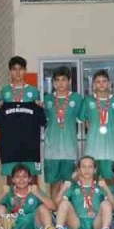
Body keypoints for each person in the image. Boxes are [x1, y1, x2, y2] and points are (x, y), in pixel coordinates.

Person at [53, 156, 114, 229]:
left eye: (90, 167)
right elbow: (58, 204)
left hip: (96, 225)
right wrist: (64, 188)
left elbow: (113, 206)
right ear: (78, 170)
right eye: (83, 167)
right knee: (64, 202)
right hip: (77, 224)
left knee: (106, 203)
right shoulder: (73, 187)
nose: (87, 170)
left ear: (95, 170)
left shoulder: (100, 187)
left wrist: (106, 187)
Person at [42, 67, 82, 201]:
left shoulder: (76, 98)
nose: (60, 83)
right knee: (54, 183)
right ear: (53, 82)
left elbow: (83, 118)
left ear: (69, 81)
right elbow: (44, 118)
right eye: (57, 80)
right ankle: (54, 208)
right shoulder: (47, 99)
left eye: (63, 80)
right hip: (51, 149)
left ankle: (67, 208)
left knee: (69, 183)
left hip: (69, 149)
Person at [0, 164, 57, 229]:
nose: (21, 180)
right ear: (13, 179)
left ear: (29, 179)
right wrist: (2, 194)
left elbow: (53, 207)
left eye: (24, 177)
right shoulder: (9, 191)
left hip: (33, 228)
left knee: (42, 207)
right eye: (17, 177)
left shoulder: (34, 190)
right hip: (13, 228)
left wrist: (38, 194)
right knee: (0, 207)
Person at [0, 86, 46, 183]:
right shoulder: (3, 106)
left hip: (31, 150)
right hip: (9, 150)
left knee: (32, 179)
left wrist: (41, 108)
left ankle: (33, 194)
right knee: (11, 179)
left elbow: (43, 122)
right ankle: (11, 194)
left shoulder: (35, 105)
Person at [80, 69, 114, 181]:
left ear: (109, 83)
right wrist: (93, 130)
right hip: (93, 146)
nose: (101, 84)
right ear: (94, 84)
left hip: (110, 147)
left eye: (104, 81)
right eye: (98, 81)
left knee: (110, 179)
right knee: (91, 178)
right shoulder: (88, 100)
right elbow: (85, 120)